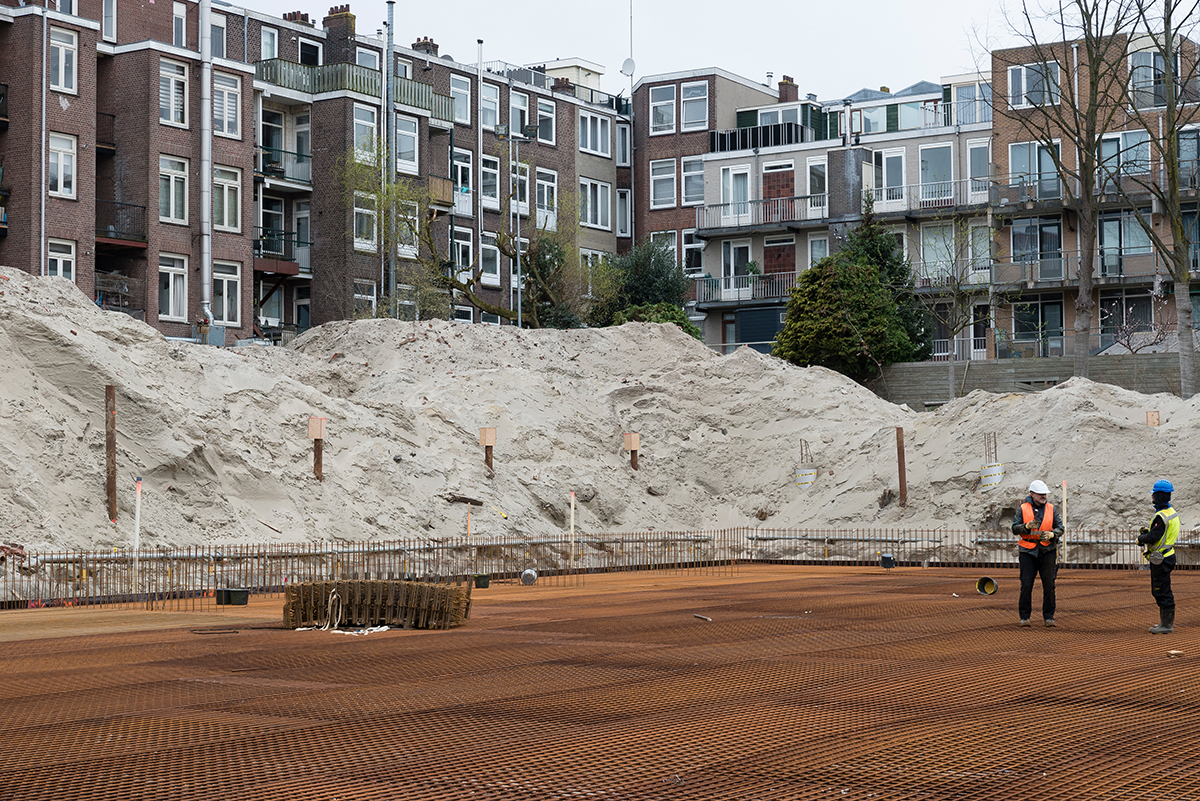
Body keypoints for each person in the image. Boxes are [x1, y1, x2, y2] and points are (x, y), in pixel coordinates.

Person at [1012, 479, 1063, 627]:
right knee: (1026, 584)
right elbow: (1015, 528)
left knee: (1049, 585)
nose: (1043, 496)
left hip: (1047, 551)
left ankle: (1049, 617)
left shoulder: (1051, 509)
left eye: (1045, 494)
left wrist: (1053, 534)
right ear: (1032, 494)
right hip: (1028, 551)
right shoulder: (1023, 509)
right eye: (1040, 494)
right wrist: (1026, 526)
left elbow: (1060, 528)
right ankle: (1024, 617)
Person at [1138, 479, 1180, 634]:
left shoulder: (1161, 516)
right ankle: (1164, 622)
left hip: (1161, 558)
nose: (1152, 497)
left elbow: (1154, 536)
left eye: (1154, 494)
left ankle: (1166, 625)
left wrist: (1141, 538)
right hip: (1167, 555)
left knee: (1161, 591)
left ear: (1159, 496)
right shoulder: (1171, 512)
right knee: (1161, 590)